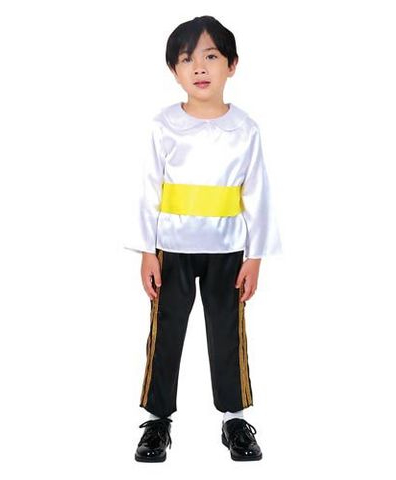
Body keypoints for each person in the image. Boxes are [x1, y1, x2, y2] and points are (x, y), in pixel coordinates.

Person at [124, 15, 283, 462]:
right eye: (186, 58)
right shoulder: (164, 125)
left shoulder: (245, 129)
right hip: (171, 248)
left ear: (232, 65)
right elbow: (148, 189)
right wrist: (146, 252)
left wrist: (255, 257)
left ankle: (235, 419)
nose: (199, 67)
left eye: (211, 56)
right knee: (166, 332)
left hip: (228, 250)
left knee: (227, 333)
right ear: (174, 70)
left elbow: (257, 193)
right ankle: (157, 421)